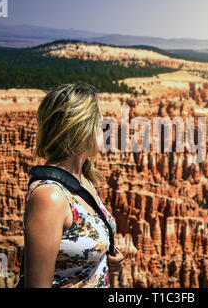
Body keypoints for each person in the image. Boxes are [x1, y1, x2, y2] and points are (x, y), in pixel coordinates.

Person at [22, 82, 123, 288]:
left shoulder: (83, 178)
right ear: (81, 127)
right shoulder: (50, 196)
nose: (103, 125)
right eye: (99, 119)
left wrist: (103, 260)